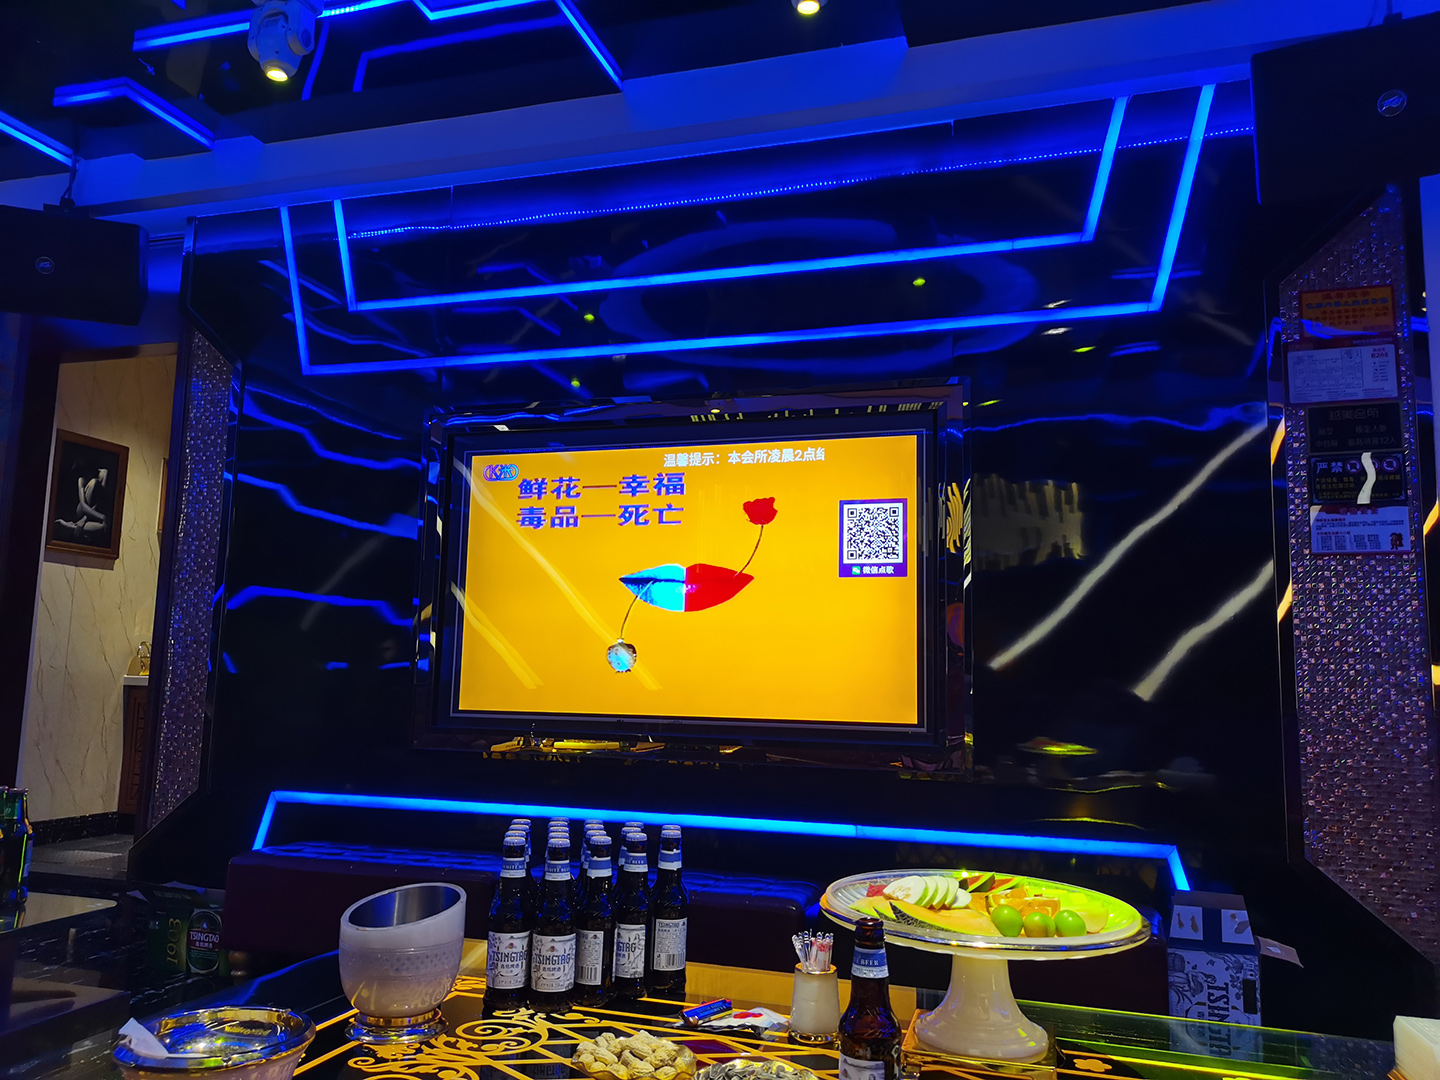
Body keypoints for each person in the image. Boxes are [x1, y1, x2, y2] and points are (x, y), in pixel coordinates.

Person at [54, 467, 109, 540]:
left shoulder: (104, 473)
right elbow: (83, 505)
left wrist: (85, 520)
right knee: (94, 482)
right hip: (82, 510)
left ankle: (72, 527)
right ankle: (76, 525)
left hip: (93, 512)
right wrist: (86, 518)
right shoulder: (81, 479)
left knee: (103, 526)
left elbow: (100, 500)